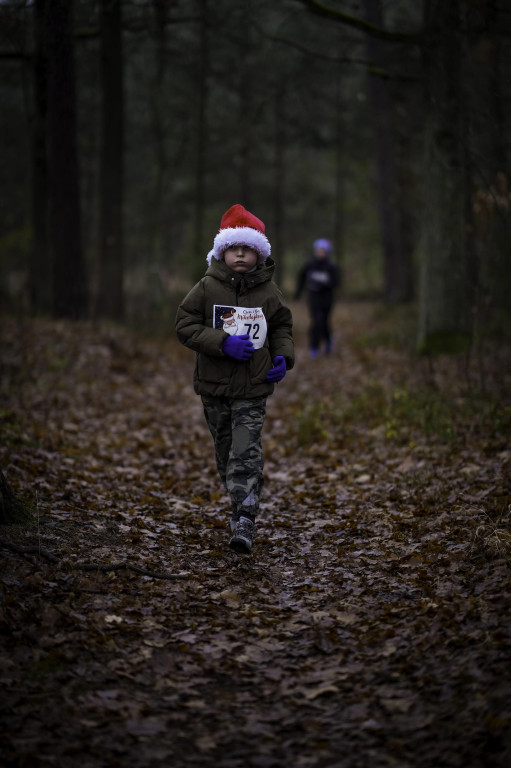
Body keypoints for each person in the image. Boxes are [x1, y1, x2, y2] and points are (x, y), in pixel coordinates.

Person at [175, 204, 294, 554]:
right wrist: (222, 342)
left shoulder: (269, 292)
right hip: (214, 388)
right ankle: (239, 501)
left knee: (246, 450)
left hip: (254, 387)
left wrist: (283, 357)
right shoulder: (206, 287)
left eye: (247, 248)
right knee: (227, 454)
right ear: (222, 250)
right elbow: (184, 325)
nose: (240, 254)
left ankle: (245, 518)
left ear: (258, 252)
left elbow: (282, 326)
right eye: (234, 247)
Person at [295, 238, 339, 358]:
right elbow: (301, 278)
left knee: (324, 321)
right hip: (313, 297)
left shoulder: (331, 267)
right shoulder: (310, 265)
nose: (320, 253)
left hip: (327, 298)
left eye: (323, 251)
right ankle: (314, 347)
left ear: (327, 252)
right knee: (316, 321)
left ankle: (328, 341)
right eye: (319, 250)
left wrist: (323, 284)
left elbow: (336, 283)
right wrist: (298, 293)